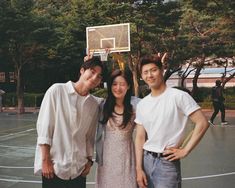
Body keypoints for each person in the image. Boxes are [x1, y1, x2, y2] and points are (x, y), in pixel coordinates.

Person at [134, 56, 209, 188]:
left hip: (166, 163)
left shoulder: (178, 96)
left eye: (153, 70)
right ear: (141, 76)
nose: (150, 75)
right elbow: (140, 137)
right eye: (145, 72)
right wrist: (138, 168)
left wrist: (185, 150)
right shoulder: (142, 104)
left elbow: (202, 123)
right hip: (146, 161)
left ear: (162, 70)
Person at [34, 57, 104, 188]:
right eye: (92, 71)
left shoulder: (94, 103)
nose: (95, 77)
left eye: (99, 76)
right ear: (82, 71)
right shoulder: (57, 91)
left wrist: (89, 161)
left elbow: (89, 136)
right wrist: (45, 161)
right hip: (54, 168)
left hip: (78, 170)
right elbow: (45, 128)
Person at [95, 69, 138, 188]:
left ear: (128, 86)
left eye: (122, 84)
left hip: (127, 155)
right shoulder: (102, 105)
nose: (118, 88)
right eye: (114, 84)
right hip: (107, 156)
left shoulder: (136, 106)